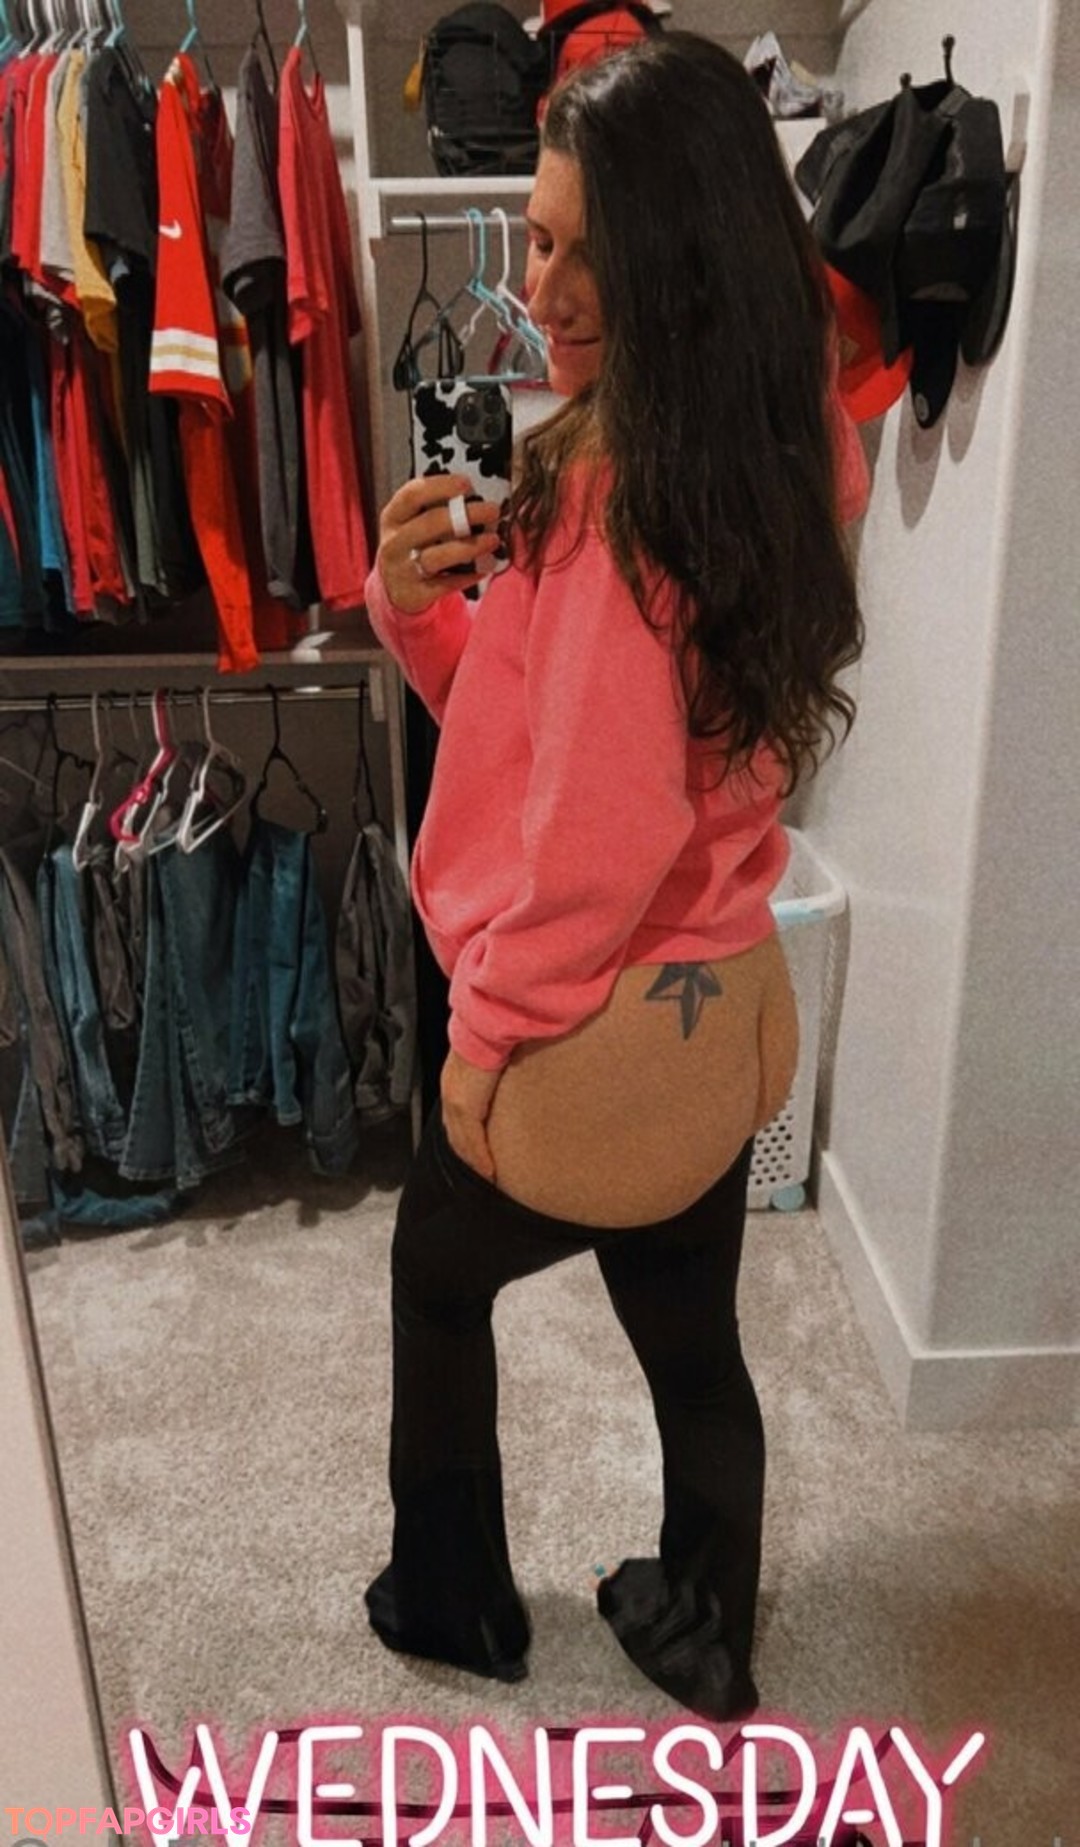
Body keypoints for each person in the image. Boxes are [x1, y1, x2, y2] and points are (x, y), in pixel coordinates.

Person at [362, 31, 869, 1719]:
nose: (541, 289)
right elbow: (567, 746)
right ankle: (703, 1627)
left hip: (600, 1026)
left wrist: (484, 1046)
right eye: (536, 236)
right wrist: (428, 612)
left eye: (586, 250)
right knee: (693, 1338)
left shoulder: (602, 498)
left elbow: (583, 841)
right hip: (727, 1001)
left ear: (681, 258)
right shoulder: (785, 440)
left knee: (436, 1277)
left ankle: (452, 1601)